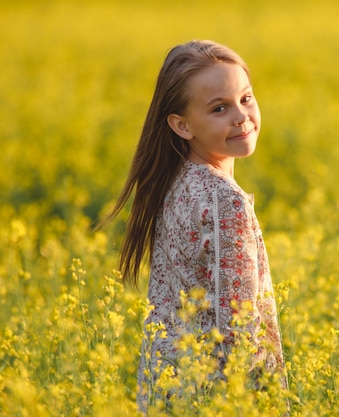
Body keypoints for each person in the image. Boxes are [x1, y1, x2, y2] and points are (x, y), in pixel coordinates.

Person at [101, 40, 286, 412]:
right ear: (182, 125)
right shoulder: (225, 203)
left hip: (167, 394)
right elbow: (240, 335)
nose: (241, 116)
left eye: (246, 99)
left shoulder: (173, 184)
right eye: (220, 108)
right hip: (217, 401)